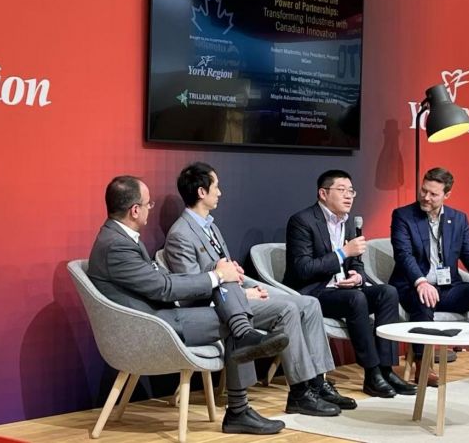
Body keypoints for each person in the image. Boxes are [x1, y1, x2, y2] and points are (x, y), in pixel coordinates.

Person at [87, 175, 288, 435]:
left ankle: (243, 336)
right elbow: (163, 288)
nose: (150, 208)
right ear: (135, 210)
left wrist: (217, 273)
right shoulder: (116, 246)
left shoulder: (120, 237)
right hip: (151, 326)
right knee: (230, 312)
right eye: (148, 204)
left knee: (225, 283)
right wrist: (216, 276)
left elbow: (161, 280)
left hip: (160, 315)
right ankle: (239, 407)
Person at [164, 162, 357, 417]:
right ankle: (300, 393)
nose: (220, 192)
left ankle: (317, 383)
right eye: (216, 186)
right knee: (287, 310)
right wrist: (243, 294)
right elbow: (192, 289)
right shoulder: (180, 234)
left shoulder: (210, 226)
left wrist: (242, 280)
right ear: (202, 192)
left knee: (309, 303)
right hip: (218, 308)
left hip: (236, 294)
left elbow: (223, 270)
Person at [284, 169, 417, 398]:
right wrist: (342, 253)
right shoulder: (302, 221)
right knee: (356, 298)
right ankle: (372, 373)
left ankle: (386, 369)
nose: (348, 196)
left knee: (387, 292)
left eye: (351, 191)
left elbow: (356, 263)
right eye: (342, 190)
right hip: (314, 293)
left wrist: (358, 276)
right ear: (323, 193)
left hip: (342, 289)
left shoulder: (347, 223)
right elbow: (302, 269)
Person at [390, 167, 469, 387]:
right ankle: (423, 366)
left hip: (447, 288)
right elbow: (403, 255)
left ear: (447, 195)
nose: (426, 197)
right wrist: (421, 282)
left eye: (433, 194)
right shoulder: (403, 216)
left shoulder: (458, 219)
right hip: (413, 287)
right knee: (425, 299)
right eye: (423, 191)